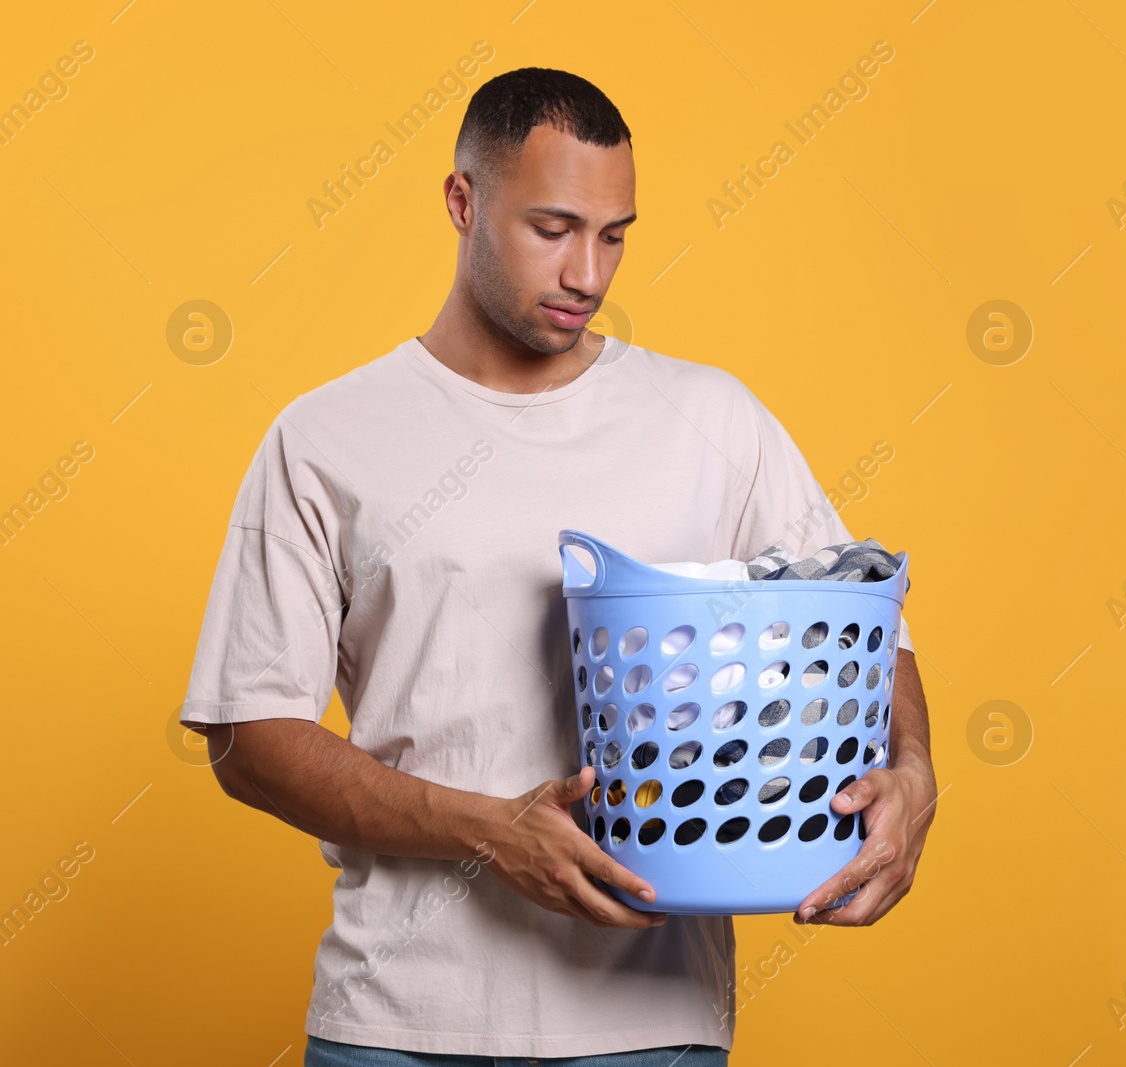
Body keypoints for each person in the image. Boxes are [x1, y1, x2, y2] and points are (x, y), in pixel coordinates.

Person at [178, 67, 938, 1066]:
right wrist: (488, 828)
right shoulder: (326, 437)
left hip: (649, 1026)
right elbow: (251, 733)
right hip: (396, 1018)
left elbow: (861, 620)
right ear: (462, 201)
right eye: (553, 228)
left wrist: (915, 771)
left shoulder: (712, 419)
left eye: (614, 233)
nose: (588, 270)